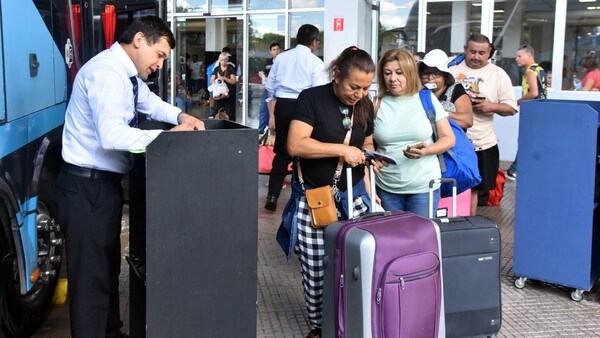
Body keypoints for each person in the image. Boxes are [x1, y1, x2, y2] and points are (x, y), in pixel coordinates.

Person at [53, 16, 204, 338]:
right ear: (139, 40)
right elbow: (111, 136)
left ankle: (110, 332)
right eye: (160, 54)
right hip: (85, 186)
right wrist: (168, 139)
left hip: (100, 185)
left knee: (105, 270)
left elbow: (148, 103)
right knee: (90, 280)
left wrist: (180, 115)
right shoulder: (108, 74)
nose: (160, 64)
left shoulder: (126, 76)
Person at [279, 46, 382, 338]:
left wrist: (372, 157)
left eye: (365, 88)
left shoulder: (365, 105)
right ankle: (319, 327)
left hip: (355, 197)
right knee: (316, 270)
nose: (359, 94)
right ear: (337, 74)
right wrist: (342, 150)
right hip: (316, 199)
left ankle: (353, 322)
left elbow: (369, 141)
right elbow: (296, 145)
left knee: (357, 265)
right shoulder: (311, 99)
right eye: (354, 86)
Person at [373, 48, 455, 217]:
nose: (393, 78)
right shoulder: (376, 103)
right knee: (392, 241)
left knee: (421, 240)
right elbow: (367, 143)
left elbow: (448, 138)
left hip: (424, 187)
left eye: (399, 73)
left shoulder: (426, 98)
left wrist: (426, 151)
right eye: (387, 73)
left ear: (410, 73)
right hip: (387, 187)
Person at [449, 33, 517, 214]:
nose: (476, 57)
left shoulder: (497, 74)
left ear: (489, 53)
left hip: (482, 143)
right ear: (464, 49)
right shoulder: (450, 69)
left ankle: (469, 225)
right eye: (472, 52)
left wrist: (489, 106)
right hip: (450, 143)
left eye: (481, 53)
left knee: (475, 189)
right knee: (449, 186)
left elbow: (511, 108)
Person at [264, 24, 328, 211]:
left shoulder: (281, 58)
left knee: (282, 153)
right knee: (304, 152)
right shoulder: (315, 62)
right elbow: (319, 92)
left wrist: (272, 115)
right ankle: (303, 198)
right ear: (314, 42)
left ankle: (273, 195)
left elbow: (270, 87)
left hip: (282, 107)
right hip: (304, 108)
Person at [507, 45, 548, 180]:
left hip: (532, 110)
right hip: (542, 109)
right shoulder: (540, 69)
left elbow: (534, 93)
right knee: (533, 139)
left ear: (529, 56)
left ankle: (514, 169)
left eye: (519, 56)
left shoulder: (529, 71)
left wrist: (517, 102)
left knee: (525, 139)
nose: (516, 59)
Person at [418, 49, 473, 130]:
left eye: (436, 74)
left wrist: (443, 113)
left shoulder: (456, 90)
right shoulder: (420, 93)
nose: (430, 78)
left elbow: (468, 121)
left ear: (445, 76)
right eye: (426, 74)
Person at [258, 42, 282, 133]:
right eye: (274, 50)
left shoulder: (282, 62)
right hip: (268, 89)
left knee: (276, 111)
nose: (276, 51)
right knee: (263, 109)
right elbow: (263, 72)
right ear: (270, 51)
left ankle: (274, 131)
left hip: (279, 89)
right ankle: (261, 131)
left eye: (277, 49)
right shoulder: (268, 62)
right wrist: (262, 75)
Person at [210, 52, 237, 120]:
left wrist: (224, 78)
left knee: (230, 113)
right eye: (221, 60)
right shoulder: (216, 69)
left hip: (229, 94)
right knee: (216, 111)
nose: (223, 61)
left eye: (225, 60)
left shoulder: (231, 68)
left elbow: (233, 81)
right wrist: (217, 81)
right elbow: (212, 80)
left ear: (227, 60)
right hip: (219, 94)